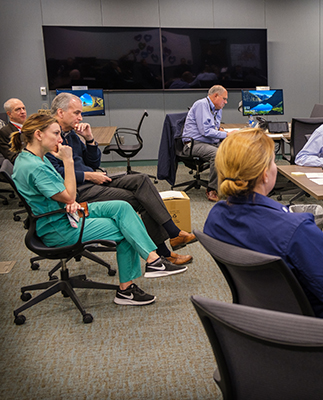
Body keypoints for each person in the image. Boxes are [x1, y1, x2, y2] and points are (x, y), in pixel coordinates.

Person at [204, 128, 323, 325]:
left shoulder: (215, 218)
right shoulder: (295, 229)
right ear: (265, 174)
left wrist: (322, 253)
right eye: (273, 162)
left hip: (266, 316)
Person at [10, 114, 186, 305]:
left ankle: (153, 261)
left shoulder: (30, 158)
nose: (60, 139)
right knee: (126, 230)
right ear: (38, 134)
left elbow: (60, 193)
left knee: (122, 207)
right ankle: (128, 289)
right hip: (59, 228)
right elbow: (69, 195)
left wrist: (68, 198)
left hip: (66, 212)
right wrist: (68, 162)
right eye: (56, 134)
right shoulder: (36, 167)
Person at [45, 93, 195, 267]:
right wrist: (89, 175)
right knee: (140, 199)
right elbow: (56, 173)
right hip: (79, 190)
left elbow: (93, 162)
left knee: (142, 180)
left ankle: (173, 234)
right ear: (60, 113)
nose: (80, 117)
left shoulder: (71, 134)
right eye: (76, 113)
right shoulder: (50, 137)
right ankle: (165, 251)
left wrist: (90, 139)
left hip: (93, 179)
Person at [181, 85, 230, 202]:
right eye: (224, 99)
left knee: (233, 150)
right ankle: (212, 189)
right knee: (217, 154)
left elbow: (214, 127)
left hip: (209, 143)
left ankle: (229, 186)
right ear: (215, 96)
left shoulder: (218, 109)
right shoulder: (201, 104)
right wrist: (226, 135)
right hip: (193, 144)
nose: (226, 102)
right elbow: (206, 131)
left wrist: (221, 130)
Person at [0, 98, 27, 163]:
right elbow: (13, 158)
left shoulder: (31, 128)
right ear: (9, 114)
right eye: (18, 109)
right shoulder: (4, 132)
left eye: (23, 108)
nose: (22, 112)